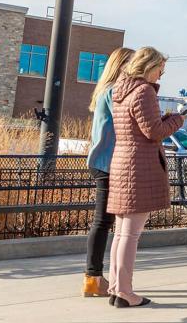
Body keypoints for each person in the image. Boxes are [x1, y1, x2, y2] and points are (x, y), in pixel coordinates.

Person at [106, 47, 185, 308]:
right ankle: (126, 292)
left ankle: (116, 287)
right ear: (148, 66)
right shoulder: (144, 91)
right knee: (130, 235)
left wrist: (163, 119)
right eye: (160, 68)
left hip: (122, 162)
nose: (162, 73)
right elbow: (154, 131)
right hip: (139, 166)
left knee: (121, 233)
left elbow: (139, 126)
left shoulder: (121, 90)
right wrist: (177, 120)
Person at [82, 47, 134, 298]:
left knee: (105, 222)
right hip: (107, 163)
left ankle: (97, 277)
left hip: (102, 161)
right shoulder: (115, 90)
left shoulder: (106, 88)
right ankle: (93, 277)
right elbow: (128, 120)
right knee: (103, 222)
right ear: (124, 65)